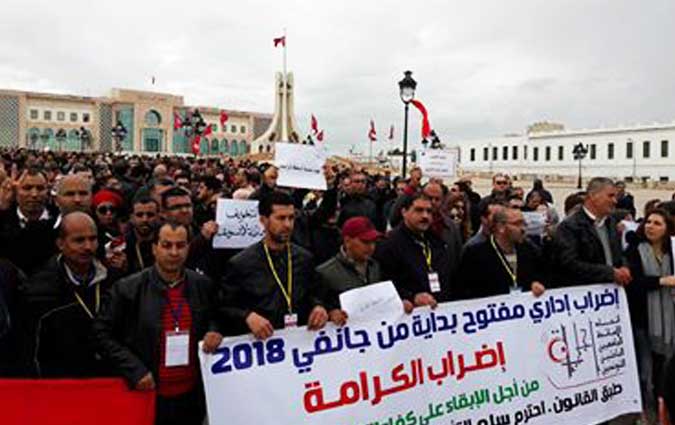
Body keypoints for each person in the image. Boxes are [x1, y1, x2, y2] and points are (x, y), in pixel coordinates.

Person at [94, 221, 223, 425]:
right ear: (154, 249)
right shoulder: (128, 289)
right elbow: (102, 333)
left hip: (192, 395)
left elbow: (215, 317)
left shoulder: (203, 285)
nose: (174, 252)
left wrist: (213, 332)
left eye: (180, 245)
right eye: (166, 245)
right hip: (148, 392)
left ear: (189, 248)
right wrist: (135, 370)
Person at [220, 191, 328, 339]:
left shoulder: (305, 258)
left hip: (301, 343)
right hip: (263, 346)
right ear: (263, 220)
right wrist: (247, 316)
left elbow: (316, 293)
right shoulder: (241, 263)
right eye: (281, 218)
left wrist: (319, 306)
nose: (288, 225)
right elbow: (224, 307)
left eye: (291, 218)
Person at [22, 212, 113, 377]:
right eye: (79, 240)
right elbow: (30, 350)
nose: (88, 247)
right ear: (60, 244)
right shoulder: (39, 289)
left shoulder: (113, 281)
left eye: (93, 239)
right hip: (62, 383)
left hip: (107, 378)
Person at [624, 209, 675, 419]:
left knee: (667, 369)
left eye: (657, 223)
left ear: (667, 230)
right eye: (648, 222)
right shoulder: (634, 251)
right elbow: (632, 283)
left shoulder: (672, 251)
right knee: (647, 373)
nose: (650, 226)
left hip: (671, 318)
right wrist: (661, 281)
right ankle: (648, 412)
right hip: (644, 319)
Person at [374, 193, 454, 311]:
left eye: (429, 211)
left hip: (439, 311)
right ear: (404, 212)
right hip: (411, 315)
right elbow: (384, 285)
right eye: (419, 210)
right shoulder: (389, 244)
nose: (425, 216)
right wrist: (411, 297)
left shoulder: (437, 242)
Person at [552, 177, 631, 287]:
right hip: (586, 294)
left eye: (615, 196)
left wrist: (624, 267)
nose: (615, 201)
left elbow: (618, 253)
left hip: (612, 292)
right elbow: (569, 264)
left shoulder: (611, 222)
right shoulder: (570, 226)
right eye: (610, 196)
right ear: (593, 196)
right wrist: (609, 273)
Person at [456, 208, 547, 299]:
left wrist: (537, 284)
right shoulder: (476, 254)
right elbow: (464, 289)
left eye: (524, 224)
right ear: (501, 227)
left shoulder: (529, 250)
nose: (523, 228)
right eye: (517, 224)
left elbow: (542, 276)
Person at [315, 217, 385, 326]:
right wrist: (330, 313)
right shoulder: (325, 273)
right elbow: (316, 305)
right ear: (347, 241)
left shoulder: (375, 267)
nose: (371, 247)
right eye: (365, 242)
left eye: (374, 242)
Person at [0, 167, 59, 275]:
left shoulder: (60, 222)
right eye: (27, 188)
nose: (34, 194)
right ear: (16, 190)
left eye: (40, 188)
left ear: (48, 191)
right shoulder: (4, 221)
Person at [424, 182, 462, 277]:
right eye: (429, 198)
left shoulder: (451, 227)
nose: (433, 202)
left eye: (437, 199)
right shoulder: (413, 226)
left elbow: (457, 258)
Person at [124, 195, 159, 274]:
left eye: (150, 215)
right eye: (139, 215)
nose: (145, 219)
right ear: (131, 218)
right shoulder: (123, 246)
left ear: (158, 216)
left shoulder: (165, 242)